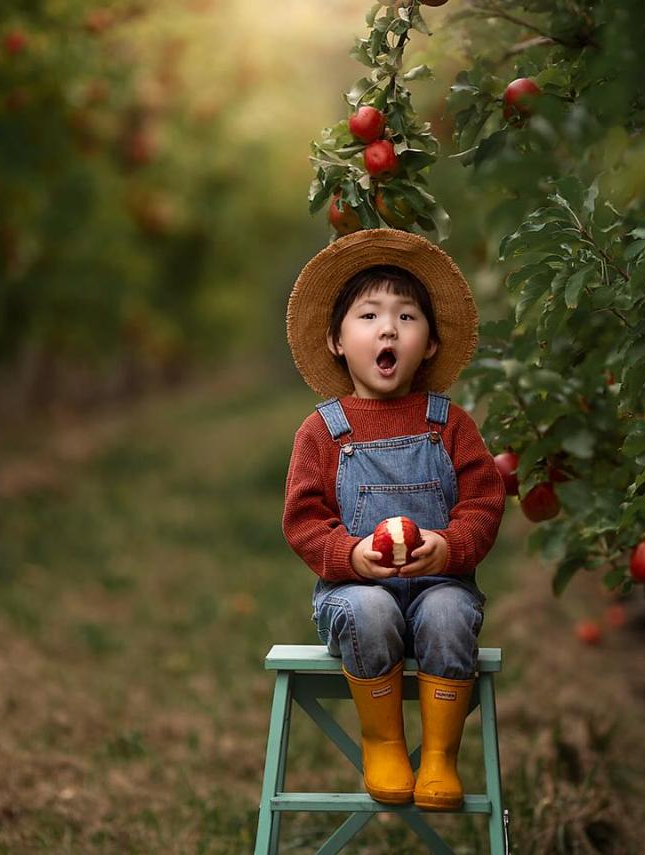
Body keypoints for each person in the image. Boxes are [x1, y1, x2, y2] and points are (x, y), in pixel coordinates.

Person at [281, 228, 506, 810]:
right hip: (354, 594)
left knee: (451, 609)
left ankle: (438, 756)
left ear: (429, 343)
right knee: (371, 607)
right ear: (336, 338)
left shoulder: (448, 423)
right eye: (370, 316)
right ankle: (383, 741)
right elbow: (304, 521)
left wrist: (450, 546)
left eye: (407, 317)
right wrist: (349, 555)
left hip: (439, 583)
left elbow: (483, 501)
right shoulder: (324, 430)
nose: (389, 329)